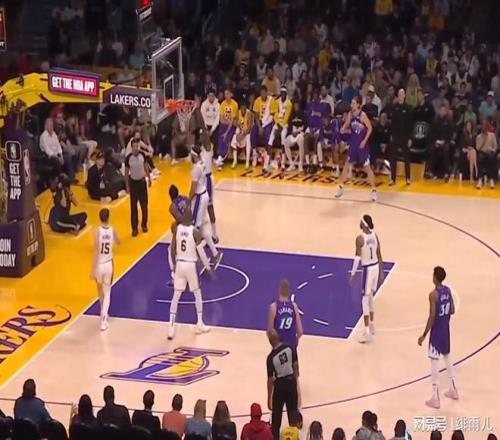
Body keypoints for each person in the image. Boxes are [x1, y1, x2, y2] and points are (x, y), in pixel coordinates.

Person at [418, 266, 459, 409]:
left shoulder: (433, 295)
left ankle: (435, 397)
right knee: (447, 358)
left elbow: (432, 317)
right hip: (445, 329)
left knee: (434, 363)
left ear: (435, 277)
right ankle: (453, 389)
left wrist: (424, 335)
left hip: (436, 332)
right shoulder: (448, 290)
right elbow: (452, 310)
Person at [168, 205, 211, 340]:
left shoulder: (177, 229)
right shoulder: (195, 232)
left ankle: (171, 327)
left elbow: (173, 249)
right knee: (197, 294)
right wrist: (207, 267)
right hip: (191, 265)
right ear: (191, 218)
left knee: (176, 296)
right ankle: (200, 323)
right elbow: (201, 251)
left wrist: (173, 267)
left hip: (180, 264)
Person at [349, 215, 384, 343]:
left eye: (360, 221)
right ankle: (372, 326)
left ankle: (367, 332)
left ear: (363, 224)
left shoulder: (360, 238)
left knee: (364, 300)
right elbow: (379, 253)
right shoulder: (375, 236)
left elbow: (357, 258)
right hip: (375, 267)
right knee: (370, 298)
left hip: (368, 269)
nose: (359, 222)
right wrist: (381, 271)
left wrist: (353, 274)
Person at [335, 96, 377, 202]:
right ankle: (340, 187)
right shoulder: (350, 114)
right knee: (346, 166)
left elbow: (370, 129)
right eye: (351, 103)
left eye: (353, 103)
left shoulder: (363, 115)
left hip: (362, 146)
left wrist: (364, 141)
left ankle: (374, 190)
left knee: (367, 168)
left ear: (358, 104)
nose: (351, 105)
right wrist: (343, 129)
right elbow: (347, 127)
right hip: (353, 145)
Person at [190, 145, 223, 268]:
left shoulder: (196, 169)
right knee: (203, 227)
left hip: (199, 197)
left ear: (193, 155)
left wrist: (188, 201)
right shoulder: (202, 162)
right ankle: (215, 253)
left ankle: (198, 257)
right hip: (204, 194)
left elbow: (193, 188)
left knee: (195, 228)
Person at [266, 329, 299, 440]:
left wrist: (269, 398)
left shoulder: (271, 358)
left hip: (280, 385)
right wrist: (295, 381)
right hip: (291, 382)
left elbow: (270, 380)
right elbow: (296, 366)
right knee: (293, 413)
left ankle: (275, 437)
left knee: (276, 417)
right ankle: (294, 436)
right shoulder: (290, 347)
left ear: (270, 342)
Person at [91, 208, 120, 331]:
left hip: (99, 264)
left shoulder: (97, 231)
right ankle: (104, 319)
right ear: (108, 217)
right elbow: (119, 242)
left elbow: (96, 250)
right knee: (107, 291)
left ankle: (103, 312)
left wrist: (93, 269)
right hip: (108, 264)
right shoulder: (112, 230)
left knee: (100, 290)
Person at [125, 138, 151, 237]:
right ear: (131, 147)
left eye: (137, 146)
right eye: (134, 146)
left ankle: (144, 224)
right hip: (133, 184)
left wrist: (149, 177)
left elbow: (146, 166)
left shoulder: (142, 155)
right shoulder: (128, 158)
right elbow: (126, 173)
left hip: (142, 183)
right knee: (133, 208)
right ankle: (134, 228)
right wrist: (127, 186)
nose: (136, 148)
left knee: (144, 206)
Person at [268, 279, 304, 349]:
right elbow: (300, 331)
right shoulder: (294, 306)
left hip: (278, 346)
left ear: (279, 290)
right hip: (291, 346)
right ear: (288, 292)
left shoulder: (274, 307)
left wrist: (275, 345)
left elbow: (270, 331)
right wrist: (295, 340)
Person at [388, 89, 413, 186]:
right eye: (399, 94)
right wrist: (391, 134)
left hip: (405, 136)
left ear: (404, 95)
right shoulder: (394, 107)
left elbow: (410, 124)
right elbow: (392, 123)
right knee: (392, 157)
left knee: (406, 157)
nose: (400, 96)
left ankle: (408, 178)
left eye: (402, 94)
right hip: (395, 135)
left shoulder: (408, 108)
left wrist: (410, 138)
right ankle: (393, 178)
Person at [40, 118, 77, 183]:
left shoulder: (54, 134)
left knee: (68, 157)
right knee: (57, 161)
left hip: (58, 155)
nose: (51, 127)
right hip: (49, 157)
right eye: (50, 125)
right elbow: (48, 151)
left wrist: (61, 155)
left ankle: (71, 177)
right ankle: (60, 180)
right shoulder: (43, 136)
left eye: (52, 125)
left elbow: (58, 146)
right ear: (46, 126)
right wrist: (58, 157)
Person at [268, 87, 293, 175]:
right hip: (277, 124)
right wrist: (277, 124)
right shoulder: (276, 101)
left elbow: (286, 117)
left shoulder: (289, 104)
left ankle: (282, 163)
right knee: (271, 137)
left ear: (286, 94)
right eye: (281, 93)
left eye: (283, 93)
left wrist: (281, 126)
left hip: (284, 125)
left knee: (283, 137)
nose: (282, 94)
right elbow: (275, 114)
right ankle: (267, 162)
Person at [426, 105, 454, 182]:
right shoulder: (434, 121)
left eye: (444, 110)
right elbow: (431, 133)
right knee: (432, 150)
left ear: (446, 112)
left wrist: (444, 141)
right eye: (441, 110)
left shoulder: (449, 121)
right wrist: (435, 141)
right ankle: (430, 172)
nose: (442, 112)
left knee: (445, 151)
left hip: (445, 142)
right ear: (439, 111)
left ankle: (447, 173)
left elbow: (450, 134)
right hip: (436, 142)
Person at [200, 133, 219, 243]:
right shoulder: (200, 150)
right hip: (201, 180)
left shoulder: (208, 148)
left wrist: (204, 128)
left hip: (207, 180)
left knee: (209, 207)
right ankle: (202, 233)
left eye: (204, 136)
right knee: (200, 207)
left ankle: (214, 235)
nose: (202, 137)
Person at [251, 86, 275, 166]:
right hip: (260, 122)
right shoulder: (257, 101)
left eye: (264, 93)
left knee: (268, 134)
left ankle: (268, 157)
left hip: (268, 122)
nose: (263, 94)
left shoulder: (271, 100)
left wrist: (264, 125)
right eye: (262, 93)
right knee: (253, 132)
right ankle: (255, 154)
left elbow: (272, 116)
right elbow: (256, 116)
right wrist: (259, 126)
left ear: (267, 93)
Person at [215, 89, 238, 170]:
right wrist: (227, 122)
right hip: (224, 125)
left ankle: (221, 157)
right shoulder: (222, 104)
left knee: (226, 137)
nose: (226, 95)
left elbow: (233, 121)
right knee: (220, 136)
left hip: (232, 126)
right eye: (225, 94)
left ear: (231, 94)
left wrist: (226, 132)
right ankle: (219, 156)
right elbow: (221, 120)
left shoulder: (235, 104)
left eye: (228, 93)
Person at [230, 100, 254, 169]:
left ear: (246, 108)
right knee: (234, 140)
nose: (243, 110)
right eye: (242, 109)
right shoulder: (238, 112)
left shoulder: (249, 113)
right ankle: (235, 161)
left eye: (244, 109)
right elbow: (234, 123)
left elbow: (249, 128)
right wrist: (238, 128)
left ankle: (247, 162)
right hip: (240, 131)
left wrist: (242, 134)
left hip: (247, 133)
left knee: (248, 140)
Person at [284, 102, 306, 173]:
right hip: (293, 133)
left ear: (299, 106)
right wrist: (291, 133)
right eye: (295, 106)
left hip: (300, 133)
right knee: (286, 142)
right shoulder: (291, 115)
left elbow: (305, 126)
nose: (296, 107)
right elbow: (289, 126)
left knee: (301, 140)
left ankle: (300, 164)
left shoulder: (303, 115)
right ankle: (291, 164)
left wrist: (298, 132)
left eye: (297, 105)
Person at [475, 122, 498, 189]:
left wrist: (492, 149)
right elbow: (477, 148)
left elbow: (495, 146)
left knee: (491, 158)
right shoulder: (479, 137)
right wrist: (483, 141)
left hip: (490, 152)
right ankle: (480, 179)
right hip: (482, 152)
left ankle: (491, 179)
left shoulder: (492, 135)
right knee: (480, 157)